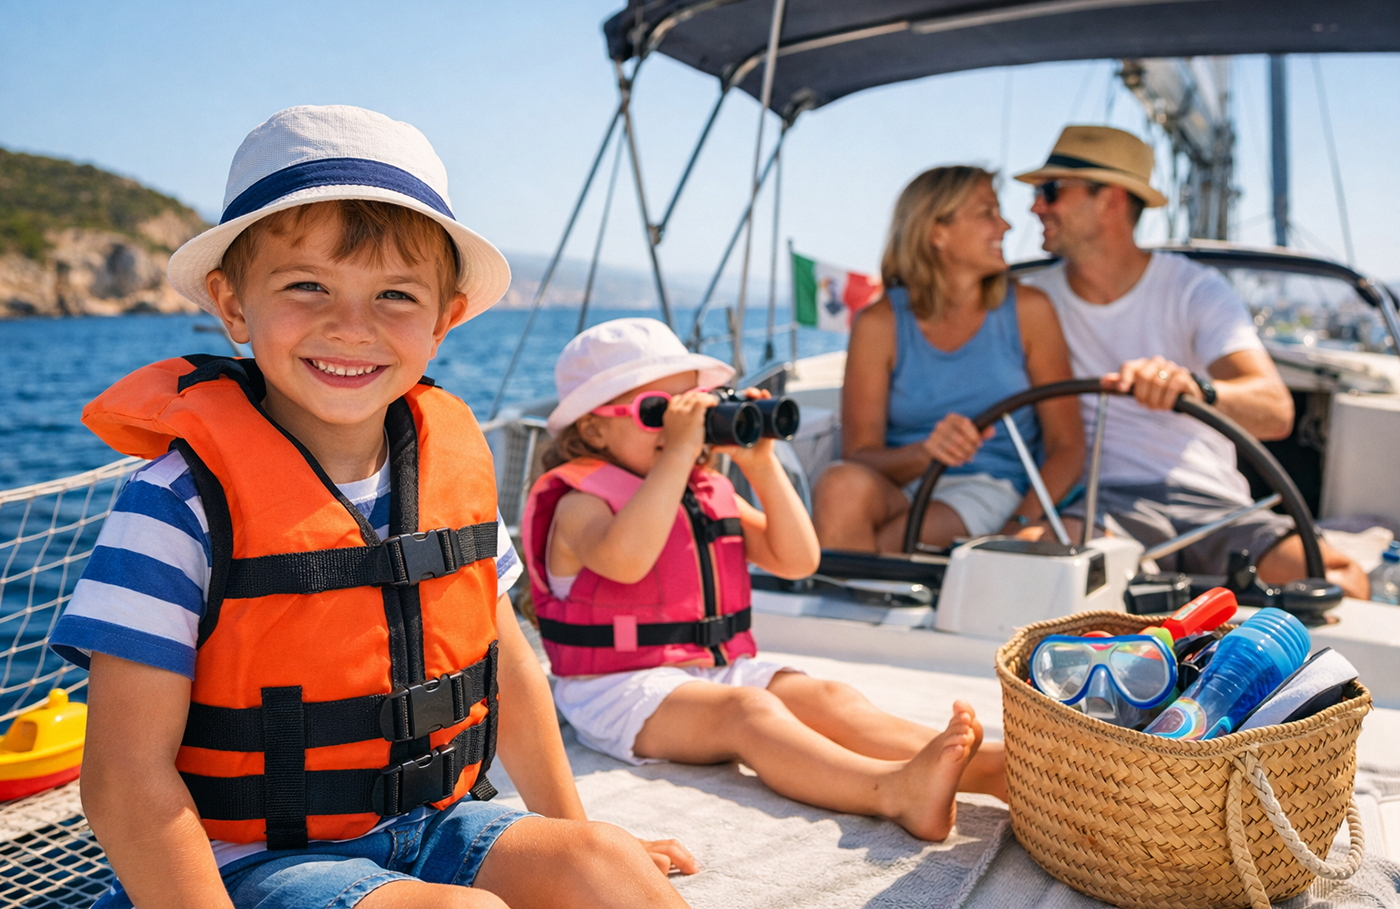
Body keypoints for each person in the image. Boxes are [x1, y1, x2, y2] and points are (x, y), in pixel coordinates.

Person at [49, 106, 697, 909]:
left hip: (430, 826)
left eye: (394, 294)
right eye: (307, 286)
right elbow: (122, 781)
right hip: (241, 864)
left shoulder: (445, 477)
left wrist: (573, 832)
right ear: (233, 303)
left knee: (607, 867)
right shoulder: (175, 507)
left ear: (445, 317)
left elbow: (513, 674)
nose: (350, 326)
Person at [522, 317, 1006, 843]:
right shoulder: (579, 503)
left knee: (825, 696)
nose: (684, 427)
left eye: (695, 408)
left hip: (717, 668)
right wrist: (681, 451)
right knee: (748, 713)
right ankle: (893, 790)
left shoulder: (701, 490)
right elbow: (629, 560)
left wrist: (761, 464)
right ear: (593, 430)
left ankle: (991, 770)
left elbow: (798, 559)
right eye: (660, 412)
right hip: (618, 688)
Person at [1015, 125, 1368, 597]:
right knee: (1023, 570)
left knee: (1341, 583)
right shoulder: (1032, 302)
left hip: (1214, 505)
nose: (1036, 206)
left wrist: (1193, 389)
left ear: (1112, 199)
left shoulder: (1194, 290)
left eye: (1051, 191)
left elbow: (1276, 411)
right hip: (1103, 505)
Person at [813, 166, 1084, 552]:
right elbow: (859, 456)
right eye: (987, 213)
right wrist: (926, 453)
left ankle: (853, 599)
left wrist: (1021, 522)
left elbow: (1068, 445)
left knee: (890, 542)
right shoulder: (879, 323)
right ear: (937, 233)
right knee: (839, 485)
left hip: (991, 488)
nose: (1005, 226)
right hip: (902, 483)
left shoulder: (1029, 311)